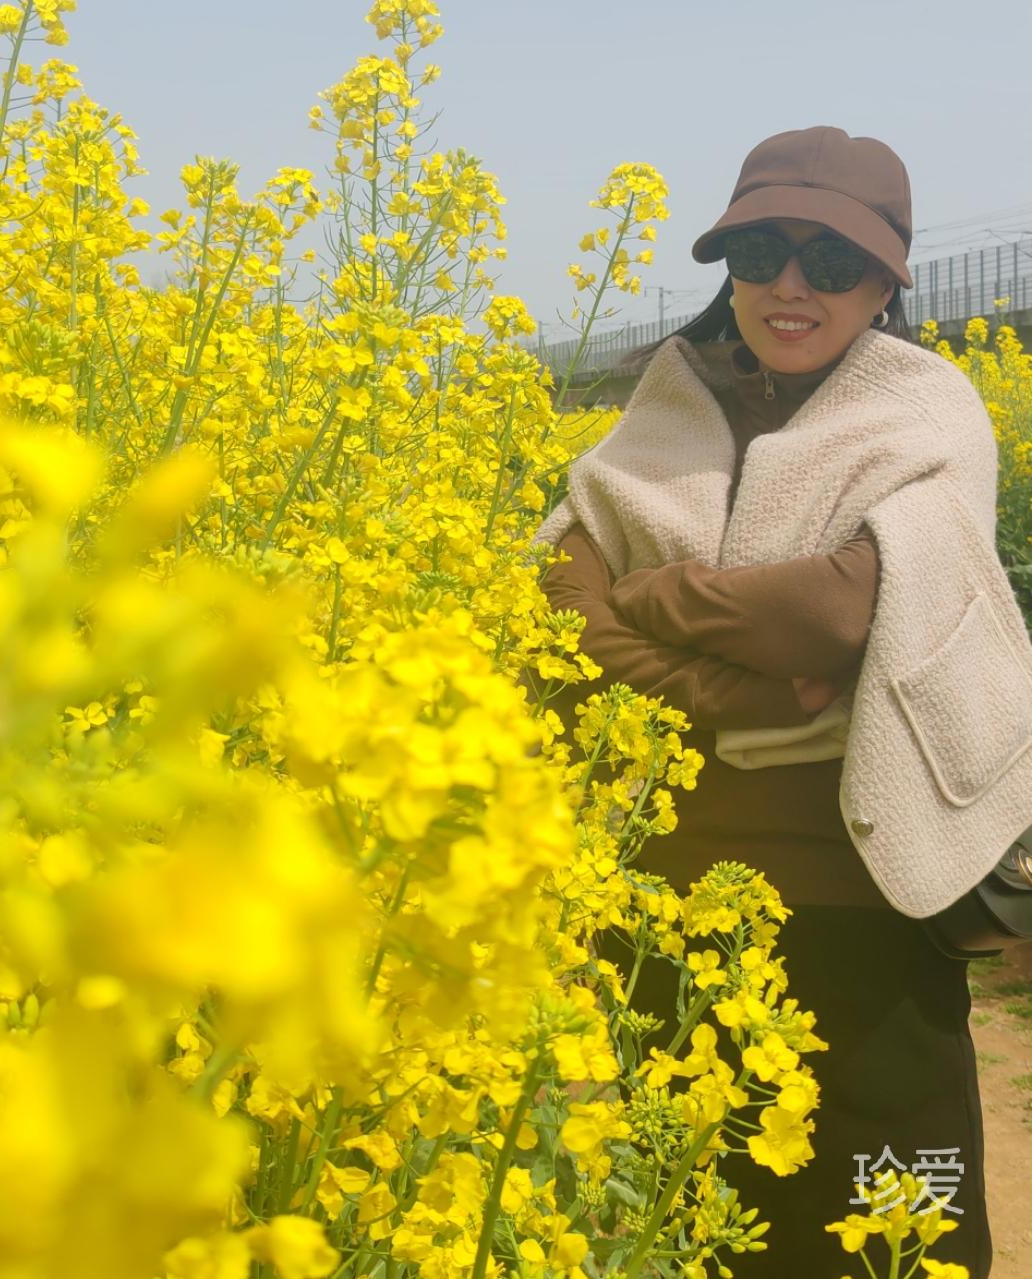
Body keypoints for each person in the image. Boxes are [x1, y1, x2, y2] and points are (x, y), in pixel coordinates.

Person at [531, 127, 994, 1277]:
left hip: (863, 902)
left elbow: (838, 612)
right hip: (663, 909)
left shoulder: (926, 417)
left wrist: (654, 594)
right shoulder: (654, 418)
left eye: (829, 261)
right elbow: (558, 630)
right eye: (757, 253)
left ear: (884, 283)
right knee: (695, 1224)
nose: (789, 285)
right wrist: (752, 695)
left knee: (901, 1219)